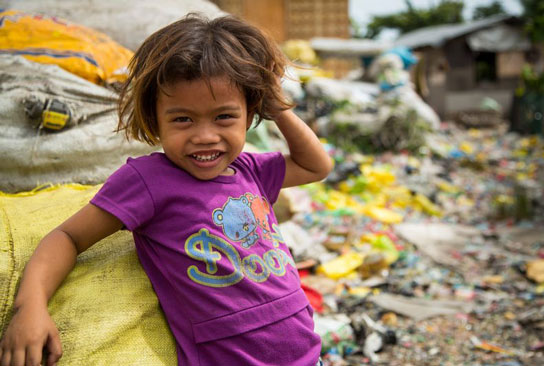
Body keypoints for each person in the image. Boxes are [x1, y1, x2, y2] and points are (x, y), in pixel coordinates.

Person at [0, 13, 333, 366]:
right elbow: (68, 236)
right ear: (154, 119)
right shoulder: (148, 181)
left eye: (224, 117)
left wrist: (277, 108)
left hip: (308, 356)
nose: (205, 136)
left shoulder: (250, 170)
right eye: (182, 119)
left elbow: (317, 166)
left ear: (250, 116)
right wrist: (31, 307)